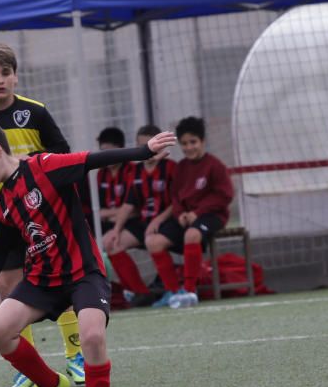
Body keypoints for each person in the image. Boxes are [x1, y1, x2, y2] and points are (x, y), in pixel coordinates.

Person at [0, 116, 177, 387]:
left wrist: (144, 151)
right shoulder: (2, 203)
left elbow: (92, 160)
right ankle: (48, 384)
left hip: (82, 273)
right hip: (42, 281)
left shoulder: (46, 166)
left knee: (92, 335)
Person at [0, 43, 83, 387]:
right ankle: (29, 367)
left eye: (6, 73)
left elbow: (62, 154)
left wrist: (36, 170)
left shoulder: (36, 112)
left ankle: (76, 357)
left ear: (15, 75)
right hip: (1, 218)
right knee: (7, 285)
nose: (0, 81)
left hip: (41, 213)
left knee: (62, 280)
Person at [146, 116, 234, 309]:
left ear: (202, 142)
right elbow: (175, 197)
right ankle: (174, 293)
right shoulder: (181, 168)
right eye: (184, 143)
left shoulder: (215, 165)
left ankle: (190, 290)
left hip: (212, 215)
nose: (189, 147)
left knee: (192, 234)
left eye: (193, 142)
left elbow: (224, 195)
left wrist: (199, 212)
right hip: (185, 218)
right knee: (154, 242)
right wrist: (180, 215)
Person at [104, 125, 177, 307]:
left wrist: (159, 219)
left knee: (154, 240)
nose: (146, 150)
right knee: (110, 243)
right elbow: (129, 204)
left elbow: (178, 202)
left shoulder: (170, 168)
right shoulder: (135, 171)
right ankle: (141, 293)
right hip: (144, 223)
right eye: (141, 146)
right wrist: (116, 230)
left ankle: (175, 292)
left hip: (170, 222)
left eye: (149, 145)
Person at [94, 127, 136, 234]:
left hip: (131, 222)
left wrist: (108, 214)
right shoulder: (101, 173)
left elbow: (135, 210)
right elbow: (98, 211)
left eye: (111, 152)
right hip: (108, 222)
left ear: (121, 149)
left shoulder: (132, 170)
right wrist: (113, 213)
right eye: (103, 152)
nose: (107, 156)